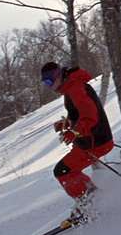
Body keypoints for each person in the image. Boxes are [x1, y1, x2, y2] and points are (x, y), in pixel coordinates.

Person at [40, 62, 114, 217]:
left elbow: (89, 118)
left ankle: (88, 203)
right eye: (44, 83)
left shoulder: (75, 89)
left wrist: (74, 132)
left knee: (62, 172)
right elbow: (79, 114)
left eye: (48, 82)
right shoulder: (71, 87)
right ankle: (91, 195)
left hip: (94, 142)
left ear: (57, 76)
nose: (48, 86)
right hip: (89, 141)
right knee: (69, 170)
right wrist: (67, 124)